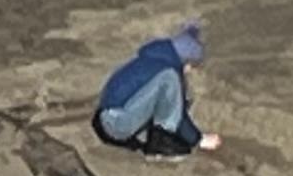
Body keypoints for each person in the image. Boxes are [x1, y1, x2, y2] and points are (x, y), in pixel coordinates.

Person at [93, 21, 219, 156]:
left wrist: (192, 31)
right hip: (116, 125)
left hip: (105, 120)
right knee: (170, 81)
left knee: (177, 95)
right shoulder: (167, 71)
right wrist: (199, 140)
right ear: (185, 60)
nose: (190, 70)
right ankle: (162, 139)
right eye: (191, 65)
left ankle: (150, 136)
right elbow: (178, 112)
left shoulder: (153, 59)